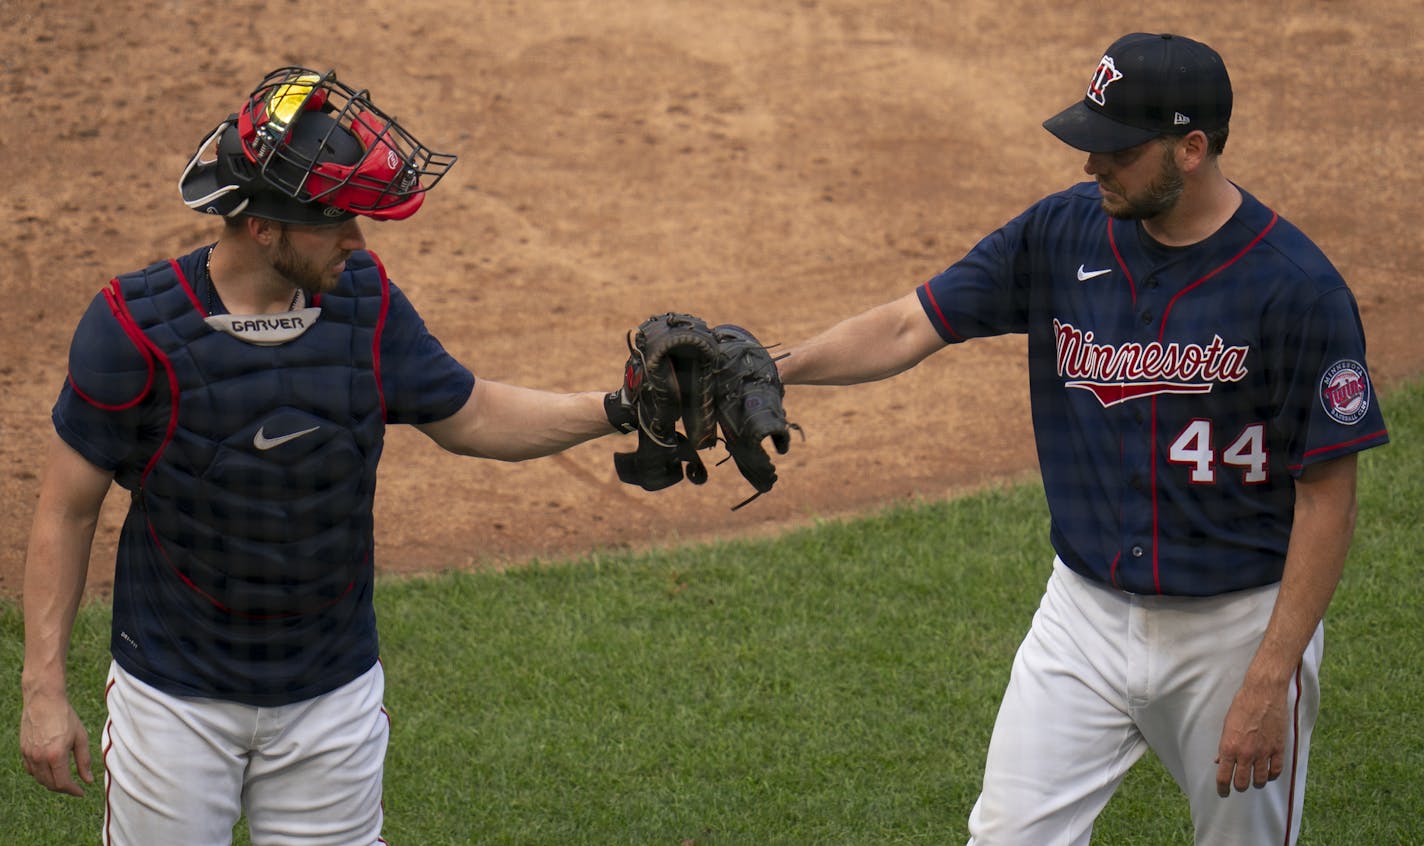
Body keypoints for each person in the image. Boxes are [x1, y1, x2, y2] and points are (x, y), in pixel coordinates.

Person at [774, 33, 1389, 845]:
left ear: (1192, 149)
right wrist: (777, 367)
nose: (1092, 166)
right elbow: (903, 326)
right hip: (1083, 618)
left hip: (1236, 630)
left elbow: (1327, 498)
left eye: (1118, 151)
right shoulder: (1062, 235)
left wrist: (1271, 675)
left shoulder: (1297, 290)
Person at [19, 67, 638, 845]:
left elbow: (472, 413)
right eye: (337, 220)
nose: (358, 240)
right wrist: (42, 688)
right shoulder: (132, 327)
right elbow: (66, 512)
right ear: (264, 227)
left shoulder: (365, 300)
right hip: (172, 697)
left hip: (331, 694)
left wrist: (618, 409)